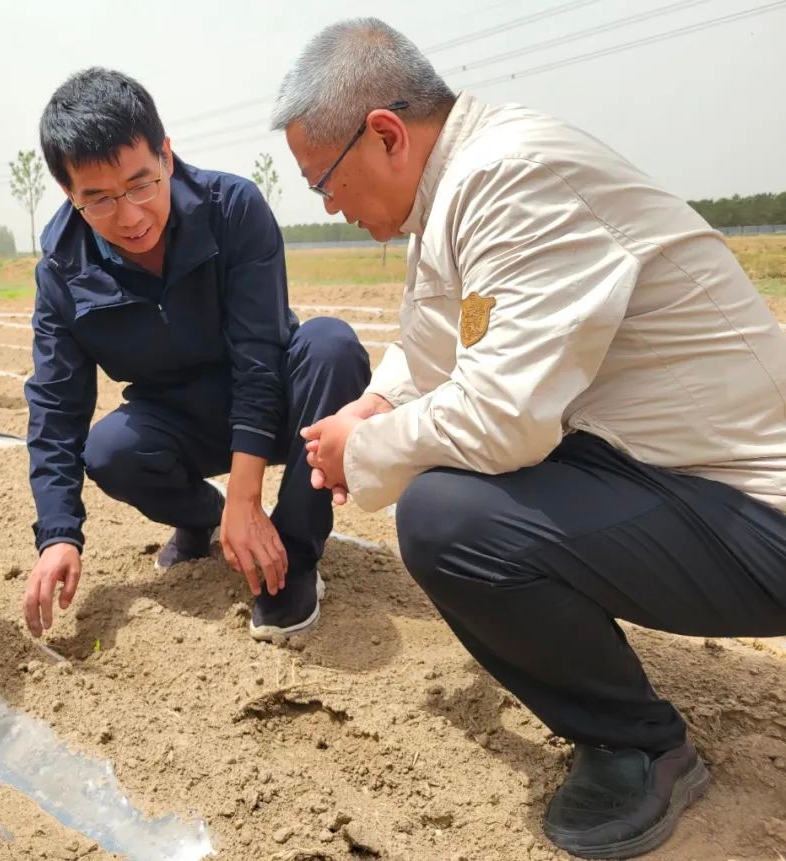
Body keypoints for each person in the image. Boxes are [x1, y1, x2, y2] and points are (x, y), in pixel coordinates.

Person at [276, 17, 786, 860]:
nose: (329, 205)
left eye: (324, 181)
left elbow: (505, 417)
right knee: (455, 482)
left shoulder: (512, 175)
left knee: (448, 517)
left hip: (756, 512)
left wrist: (362, 455)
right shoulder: (457, 185)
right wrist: (368, 409)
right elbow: (437, 341)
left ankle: (639, 746)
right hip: (669, 474)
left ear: (387, 136)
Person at [23, 68, 370, 643]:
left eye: (141, 184)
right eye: (100, 200)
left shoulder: (232, 207)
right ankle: (200, 519)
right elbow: (56, 409)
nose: (130, 217)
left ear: (166, 154)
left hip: (274, 399)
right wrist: (58, 534)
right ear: (68, 193)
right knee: (109, 449)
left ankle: (295, 552)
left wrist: (247, 497)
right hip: (181, 418)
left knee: (330, 345)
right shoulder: (62, 269)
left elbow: (260, 359)